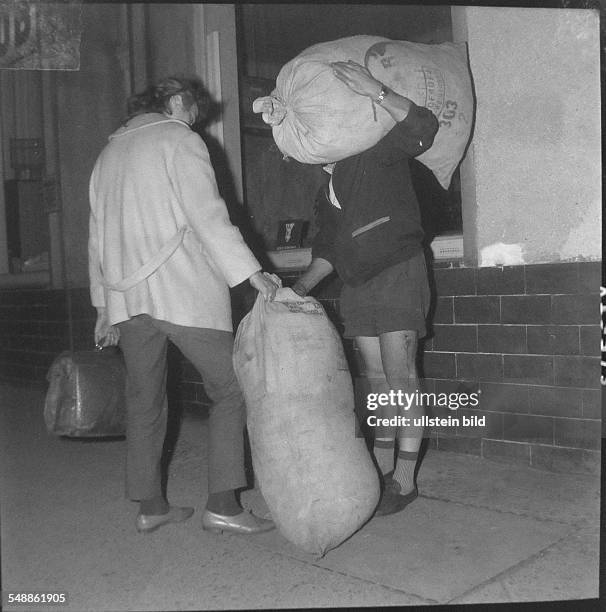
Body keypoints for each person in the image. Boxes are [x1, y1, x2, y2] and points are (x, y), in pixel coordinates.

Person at [88, 75, 280, 534]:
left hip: (127, 300)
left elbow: (95, 239)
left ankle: (151, 507)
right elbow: (208, 214)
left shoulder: (107, 155)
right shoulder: (178, 139)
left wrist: (102, 308)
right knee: (231, 391)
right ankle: (223, 506)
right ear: (176, 101)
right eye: (194, 110)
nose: (196, 120)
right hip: (182, 291)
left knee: (144, 400)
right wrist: (251, 273)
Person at [291, 60, 439, 516]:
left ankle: (405, 479)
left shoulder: (376, 151)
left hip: (398, 271)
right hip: (357, 285)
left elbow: (422, 128)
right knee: (377, 385)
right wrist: (294, 293)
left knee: (400, 378)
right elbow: (328, 251)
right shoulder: (328, 188)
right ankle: (378, 468)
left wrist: (374, 89)